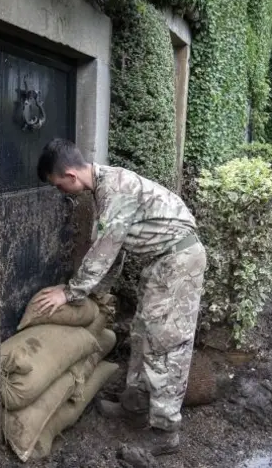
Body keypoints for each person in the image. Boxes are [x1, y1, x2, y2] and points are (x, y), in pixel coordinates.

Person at [31, 138, 206, 460]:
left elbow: (104, 251)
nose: (61, 192)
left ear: (70, 175)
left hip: (177, 262)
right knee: (143, 334)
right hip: (161, 263)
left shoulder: (115, 189)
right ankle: (135, 407)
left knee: (165, 344)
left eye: (58, 186)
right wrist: (98, 291)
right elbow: (115, 250)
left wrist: (70, 292)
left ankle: (166, 431)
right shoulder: (103, 188)